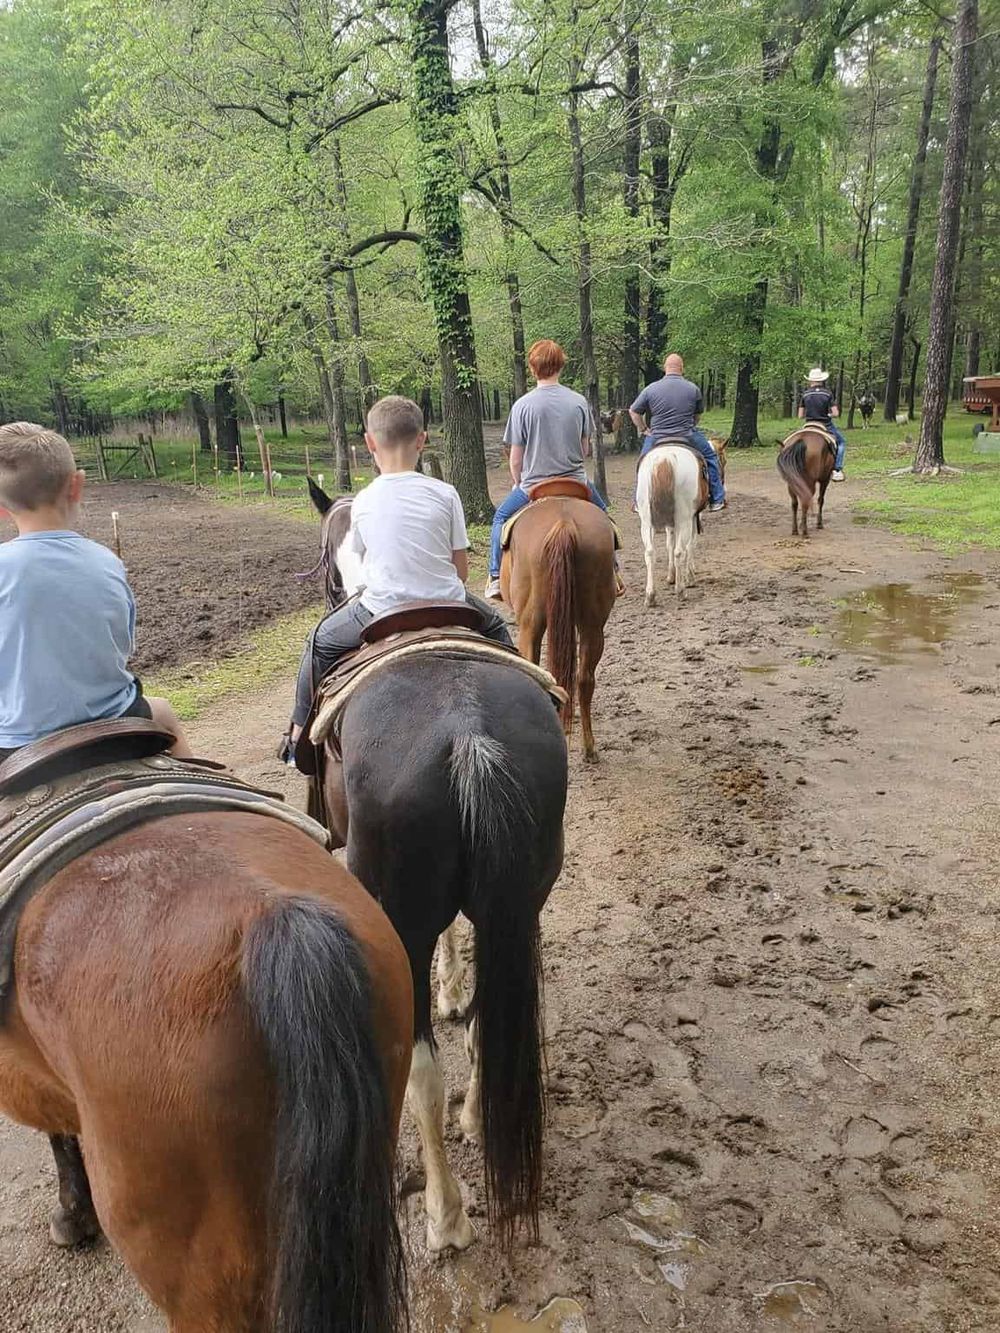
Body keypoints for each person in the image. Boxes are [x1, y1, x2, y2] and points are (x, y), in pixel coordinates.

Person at [288, 395, 512, 748]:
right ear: (422, 440)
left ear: (369, 443)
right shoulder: (446, 493)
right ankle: (536, 692)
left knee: (317, 643)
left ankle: (298, 732)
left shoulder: (362, 501)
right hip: (449, 604)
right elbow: (461, 570)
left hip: (382, 609)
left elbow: (364, 563)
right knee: (498, 627)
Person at [0, 421, 192, 764]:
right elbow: (123, 646)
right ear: (77, 486)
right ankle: (203, 789)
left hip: (19, 744)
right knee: (163, 711)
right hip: (118, 724)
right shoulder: (108, 561)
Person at [485, 339, 612, 602]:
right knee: (604, 518)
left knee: (499, 519)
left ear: (533, 369)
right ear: (561, 366)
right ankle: (613, 569)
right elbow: (584, 449)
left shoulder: (522, 406)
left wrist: (517, 481)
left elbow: (516, 458)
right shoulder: (578, 402)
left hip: (533, 485)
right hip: (575, 481)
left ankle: (496, 577)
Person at [629, 354, 726, 510]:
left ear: (665, 368)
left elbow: (633, 412)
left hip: (657, 436)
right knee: (710, 457)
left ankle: (637, 501)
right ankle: (717, 498)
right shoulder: (693, 389)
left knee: (641, 463)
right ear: (682, 368)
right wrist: (690, 425)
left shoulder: (650, 389)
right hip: (687, 435)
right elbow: (697, 416)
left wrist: (644, 429)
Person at [799, 368, 846, 480]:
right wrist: (829, 414)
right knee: (841, 442)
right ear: (822, 380)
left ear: (810, 381)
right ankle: (837, 469)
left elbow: (800, 415)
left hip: (809, 424)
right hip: (825, 425)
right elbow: (835, 413)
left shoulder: (805, 394)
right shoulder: (827, 393)